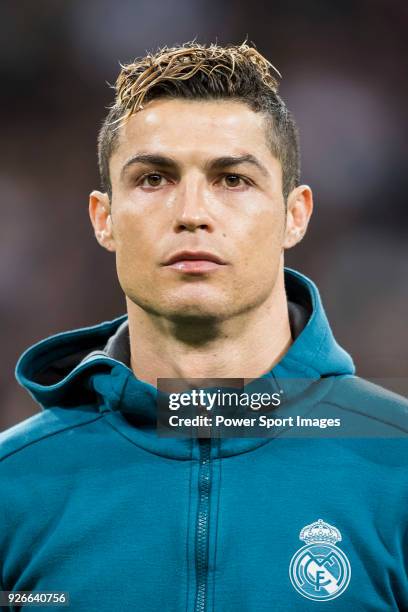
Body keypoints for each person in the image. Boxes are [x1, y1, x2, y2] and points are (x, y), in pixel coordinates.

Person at [1, 41, 407, 612]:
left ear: (295, 215)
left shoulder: (397, 464)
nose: (192, 212)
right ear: (104, 218)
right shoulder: (13, 485)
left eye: (233, 179)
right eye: (153, 179)